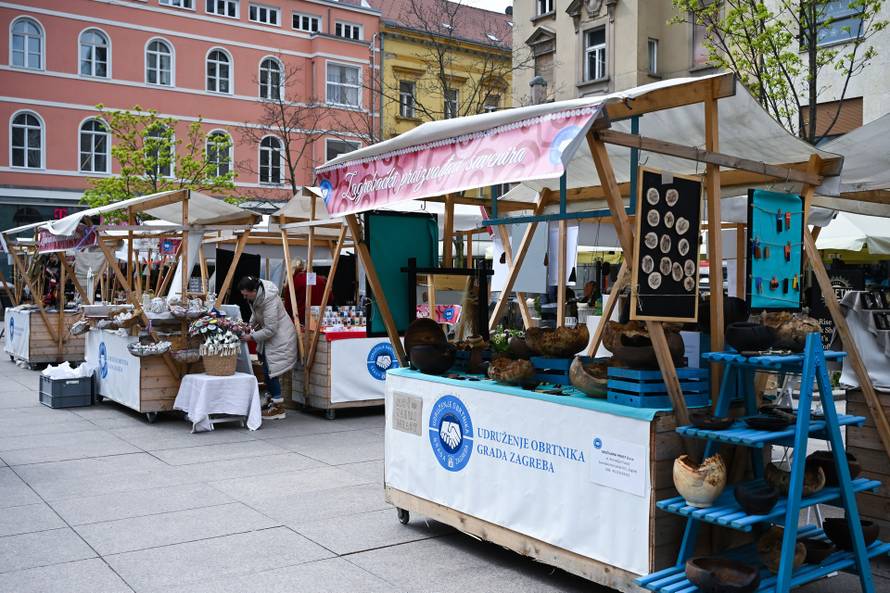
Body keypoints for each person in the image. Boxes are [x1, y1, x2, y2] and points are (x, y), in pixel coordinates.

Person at [238, 276, 297, 420]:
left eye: (246, 294)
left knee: (271, 371)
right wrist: (250, 325)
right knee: (266, 368)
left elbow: (271, 329)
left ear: (254, 291)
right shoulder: (257, 297)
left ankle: (278, 408)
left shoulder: (269, 300)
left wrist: (251, 337)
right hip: (272, 339)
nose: (245, 297)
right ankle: (272, 402)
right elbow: (257, 315)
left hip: (280, 339)